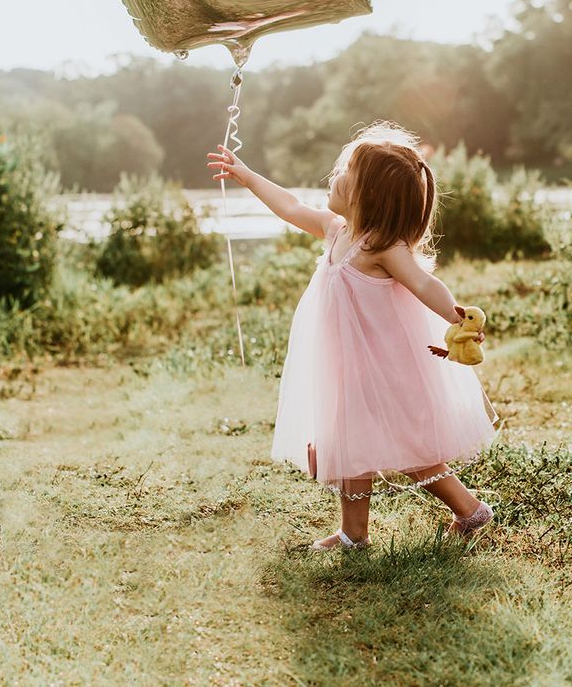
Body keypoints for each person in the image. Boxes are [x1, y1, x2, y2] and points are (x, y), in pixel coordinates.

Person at [206, 120, 497, 551]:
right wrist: (246, 175)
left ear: (368, 194)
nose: (335, 176)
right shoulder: (337, 230)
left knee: (413, 449)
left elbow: (422, 284)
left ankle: (471, 511)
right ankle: (354, 534)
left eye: (346, 172)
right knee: (350, 442)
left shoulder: (382, 246)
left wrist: (458, 316)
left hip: (384, 366)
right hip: (346, 363)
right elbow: (288, 206)